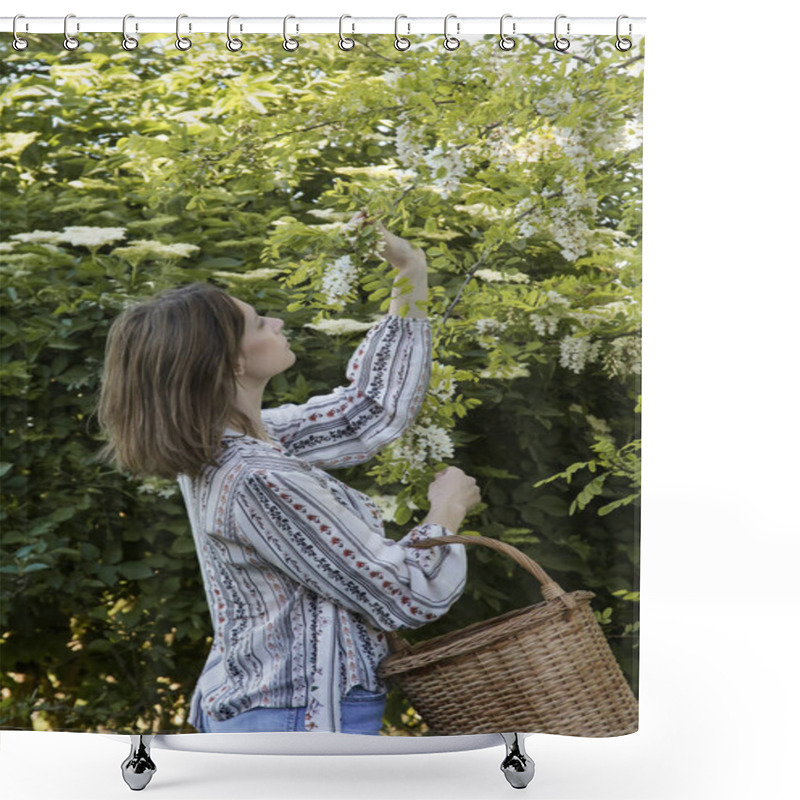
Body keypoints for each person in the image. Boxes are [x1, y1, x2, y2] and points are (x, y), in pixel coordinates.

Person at [94, 214, 481, 735]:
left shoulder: (239, 441)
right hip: (296, 724)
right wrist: (447, 511)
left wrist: (409, 271)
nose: (275, 323)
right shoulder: (255, 476)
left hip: (281, 715)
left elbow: (367, 411)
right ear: (229, 363)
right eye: (258, 323)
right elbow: (404, 595)